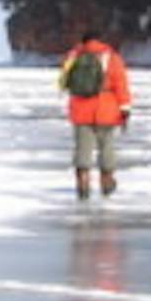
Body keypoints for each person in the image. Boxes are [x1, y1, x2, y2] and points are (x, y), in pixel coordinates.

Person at [57, 29, 131, 200]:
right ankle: (106, 182)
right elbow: (121, 83)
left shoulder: (73, 56)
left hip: (80, 109)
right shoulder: (111, 57)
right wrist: (125, 108)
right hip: (107, 109)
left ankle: (82, 184)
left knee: (83, 149)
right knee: (106, 147)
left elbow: (63, 82)